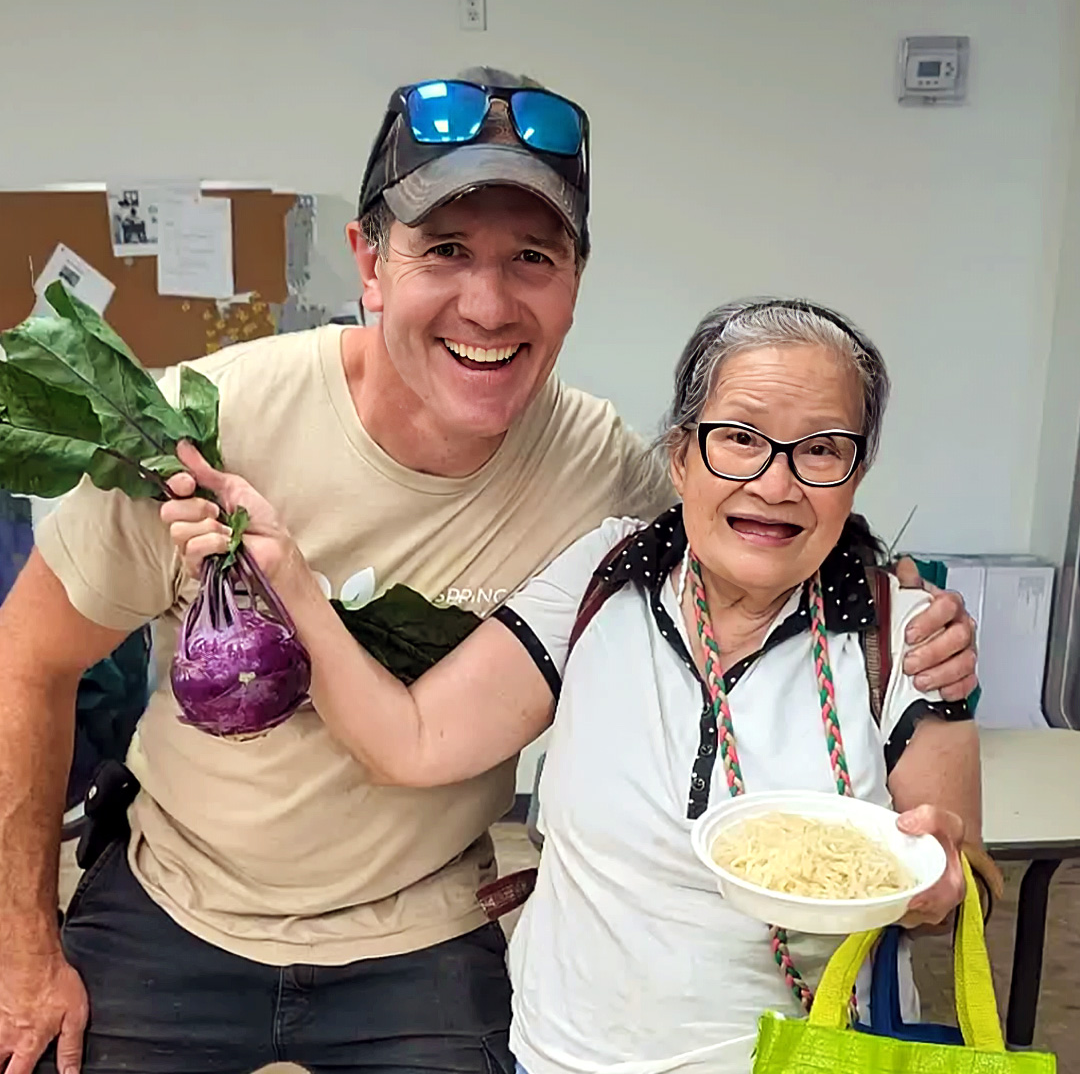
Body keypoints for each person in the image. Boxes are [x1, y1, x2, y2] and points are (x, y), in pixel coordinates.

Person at [0, 65, 976, 1074]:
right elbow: (24, 663)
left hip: (421, 929)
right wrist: (21, 949)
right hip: (177, 898)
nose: (488, 302)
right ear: (369, 262)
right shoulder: (199, 430)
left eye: (532, 258)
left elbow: (754, 515)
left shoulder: (603, 474)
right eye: (446, 250)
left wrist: (897, 586)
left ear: (574, 284)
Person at [166, 297, 994, 1074]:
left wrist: (943, 882)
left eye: (821, 449)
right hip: (565, 1056)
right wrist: (294, 583)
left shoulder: (903, 632)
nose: (775, 483)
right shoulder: (602, 578)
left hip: (802, 1055)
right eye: (739, 437)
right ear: (679, 455)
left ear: (853, 475)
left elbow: (966, 888)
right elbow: (413, 743)